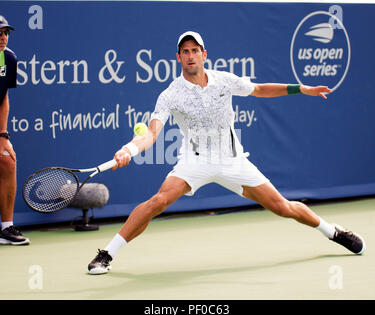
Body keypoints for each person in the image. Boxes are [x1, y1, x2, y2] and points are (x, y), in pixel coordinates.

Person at [88, 31, 365, 274]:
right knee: (158, 201)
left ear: (204, 54)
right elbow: (151, 133)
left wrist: (299, 88)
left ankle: (333, 232)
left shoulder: (223, 80)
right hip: (195, 162)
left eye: (195, 50)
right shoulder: (170, 95)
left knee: (283, 207)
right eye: (185, 51)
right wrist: (129, 149)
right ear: (178, 58)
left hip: (233, 161)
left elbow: (258, 89)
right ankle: (107, 254)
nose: (190, 56)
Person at [0, 15, 30, 245]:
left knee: (8, 160)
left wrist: (3, 136)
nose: (3, 38)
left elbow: (3, 97)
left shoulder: (8, 58)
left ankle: (6, 228)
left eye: (5, 33)